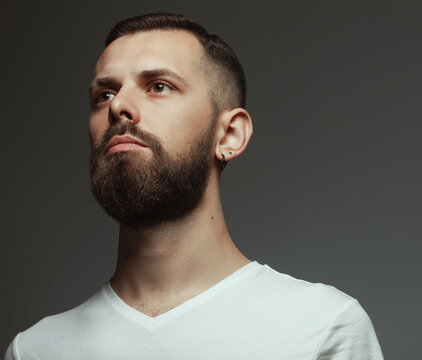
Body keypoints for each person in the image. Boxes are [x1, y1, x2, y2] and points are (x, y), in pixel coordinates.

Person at [4, 13, 383, 359]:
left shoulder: (322, 329)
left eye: (159, 86)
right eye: (104, 94)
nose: (119, 105)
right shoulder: (35, 349)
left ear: (230, 134)